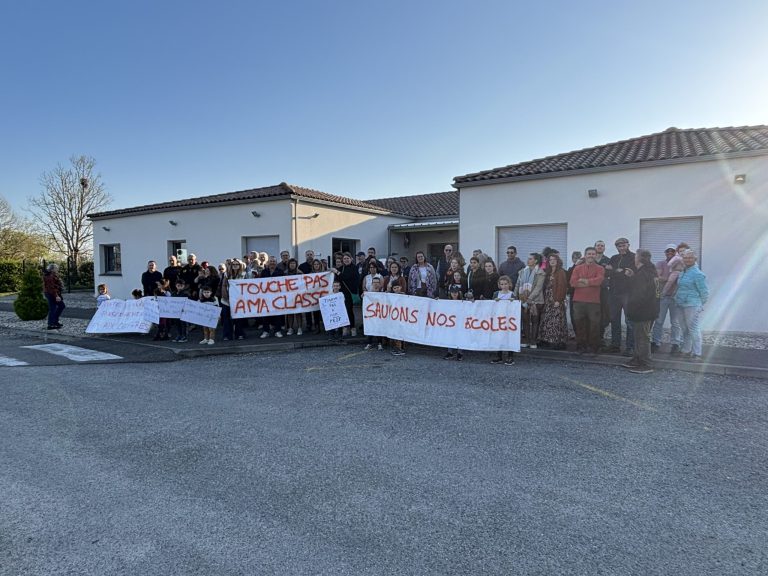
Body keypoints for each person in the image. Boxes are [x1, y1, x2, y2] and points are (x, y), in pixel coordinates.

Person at [622, 248, 660, 374]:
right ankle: (637, 359)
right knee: (639, 336)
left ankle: (646, 364)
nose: (634, 258)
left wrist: (631, 308)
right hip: (650, 309)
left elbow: (639, 294)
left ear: (639, 259)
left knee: (643, 337)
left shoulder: (643, 274)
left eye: (636, 256)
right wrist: (632, 277)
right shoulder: (650, 272)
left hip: (643, 311)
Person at [570, 247, 605, 356]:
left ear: (596, 255)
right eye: (589, 253)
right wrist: (590, 282)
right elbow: (573, 282)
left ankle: (593, 348)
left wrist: (584, 281)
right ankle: (581, 347)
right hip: (578, 301)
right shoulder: (577, 268)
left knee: (594, 325)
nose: (591, 255)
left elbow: (599, 281)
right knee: (580, 325)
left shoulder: (600, 268)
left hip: (593, 302)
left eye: (593, 254)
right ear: (585, 255)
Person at [675, 249, 708, 361]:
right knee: (684, 328)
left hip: (692, 305)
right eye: (685, 257)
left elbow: (704, 293)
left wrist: (699, 305)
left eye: (690, 257)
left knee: (693, 328)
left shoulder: (698, 274)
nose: (687, 259)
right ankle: (686, 350)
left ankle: (697, 353)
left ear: (695, 259)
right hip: (680, 303)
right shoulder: (683, 272)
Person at [605, 238, 636, 355]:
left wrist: (615, 271)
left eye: (623, 245)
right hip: (613, 293)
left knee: (630, 321)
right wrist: (619, 271)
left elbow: (632, 273)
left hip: (628, 293)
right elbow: (606, 272)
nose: (622, 248)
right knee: (614, 320)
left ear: (628, 245)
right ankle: (615, 345)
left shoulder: (634, 257)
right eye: (619, 246)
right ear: (616, 247)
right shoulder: (614, 258)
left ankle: (630, 347)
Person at [652, 244, 684, 354]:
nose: (670, 253)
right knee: (659, 321)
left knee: (675, 322)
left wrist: (669, 279)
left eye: (672, 251)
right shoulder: (661, 263)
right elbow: (656, 277)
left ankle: (675, 344)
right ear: (665, 252)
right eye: (667, 251)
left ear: (676, 253)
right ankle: (655, 342)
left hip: (676, 297)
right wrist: (669, 279)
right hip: (663, 296)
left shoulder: (681, 264)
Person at [515, 253, 545, 349]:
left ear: (536, 260)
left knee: (535, 321)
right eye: (528, 259)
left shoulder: (540, 272)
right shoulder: (522, 272)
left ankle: (533, 341)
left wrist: (530, 299)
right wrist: (515, 296)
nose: (528, 260)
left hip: (536, 301)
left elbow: (538, 288)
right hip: (523, 299)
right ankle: (527, 340)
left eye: (530, 259)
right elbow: (517, 284)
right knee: (525, 320)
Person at [539, 253, 568, 349]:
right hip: (547, 300)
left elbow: (562, 287)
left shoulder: (561, 272)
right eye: (550, 259)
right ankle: (547, 340)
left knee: (556, 321)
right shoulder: (547, 272)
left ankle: (557, 342)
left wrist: (558, 300)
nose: (552, 261)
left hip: (556, 299)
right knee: (547, 320)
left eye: (554, 259)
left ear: (558, 260)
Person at [490, 275, 516, 365]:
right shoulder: (496, 294)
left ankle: (510, 356)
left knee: (509, 336)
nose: (504, 286)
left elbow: (516, 308)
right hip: (498, 318)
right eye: (502, 284)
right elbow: (491, 306)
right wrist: (494, 301)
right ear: (499, 285)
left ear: (509, 284)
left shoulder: (512, 294)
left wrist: (514, 302)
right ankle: (499, 356)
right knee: (498, 336)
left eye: (505, 284)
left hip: (509, 319)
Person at [219, 258, 247, 341]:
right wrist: (226, 297)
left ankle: (240, 334)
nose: (235, 266)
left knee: (239, 318)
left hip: (239, 300)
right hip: (227, 300)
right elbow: (223, 285)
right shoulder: (226, 274)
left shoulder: (244, 274)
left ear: (240, 265)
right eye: (233, 264)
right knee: (226, 318)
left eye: (237, 264)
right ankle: (227, 335)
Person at [333, 252, 360, 337]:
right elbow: (337, 280)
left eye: (347, 258)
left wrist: (337, 272)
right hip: (341, 293)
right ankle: (344, 327)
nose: (346, 260)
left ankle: (352, 327)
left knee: (349, 310)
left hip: (350, 292)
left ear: (351, 259)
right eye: (344, 259)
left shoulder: (354, 267)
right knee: (342, 310)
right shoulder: (341, 268)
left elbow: (347, 277)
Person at [260, 256, 285, 338]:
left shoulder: (280, 272)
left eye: (274, 261)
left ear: (276, 262)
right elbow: (259, 283)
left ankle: (277, 331)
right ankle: (265, 331)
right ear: (268, 262)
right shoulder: (264, 272)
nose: (272, 263)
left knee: (278, 315)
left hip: (277, 296)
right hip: (266, 297)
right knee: (265, 315)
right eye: (271, 261)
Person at [362, 274, 385, 350]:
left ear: (380, 284)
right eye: (374, 282)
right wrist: (363, 295)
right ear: (372, 283)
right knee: (370, 327)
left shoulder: (383, 294)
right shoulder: (368, 294)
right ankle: (369, 343)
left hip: (380, 314)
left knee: (379, 328)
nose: (376, 284)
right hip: (371, 314)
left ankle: (379, 343)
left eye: (377, 282)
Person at [443, 283, 464, 361]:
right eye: (452, 292)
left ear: (458, 293)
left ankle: (460, 353)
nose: (454, 294)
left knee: (460, 337)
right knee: (450, 336)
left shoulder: (463, 302)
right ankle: (450, 352)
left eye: (456, 292)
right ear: (450, 293)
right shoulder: (447, 302)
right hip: (450, 322)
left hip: (459, 323)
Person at [283, 258, 304, 335]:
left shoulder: (300, 273)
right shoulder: (285, 273)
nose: (292, 265)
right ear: (288, 265)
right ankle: (290, 328)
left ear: (296, 265)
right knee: (290, 313)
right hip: (288, 296)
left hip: (298, 295)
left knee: (298, 312)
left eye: (294, 263)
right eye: (291, 263)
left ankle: (299, 328)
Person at [389, 281, 407, 356]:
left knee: (400, 333)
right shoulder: (390, 296)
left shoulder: (404, 296)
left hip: (402, 317)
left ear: (401, 287)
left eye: (397, 287)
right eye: (395, 288)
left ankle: (400, 348)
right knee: (395, 333)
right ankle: (396, 347)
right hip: (394, 318)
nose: (396, 289)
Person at [171, 278, 189, 342]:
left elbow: (188, 302)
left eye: (181, 286)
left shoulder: (186, 293)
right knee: (177, 324)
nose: (179, 287)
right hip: (176, 312)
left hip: (183, 312)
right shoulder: (173, 294)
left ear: (183, 286)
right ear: (176, 286)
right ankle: (179, 335)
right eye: (178, 285)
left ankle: (184, 336)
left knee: (183, 324)